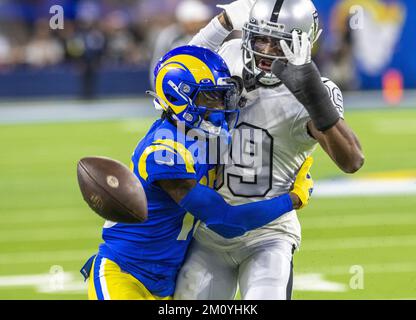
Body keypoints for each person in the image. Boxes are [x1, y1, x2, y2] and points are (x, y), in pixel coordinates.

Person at [81, 45, 314, 300]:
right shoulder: (163, 152)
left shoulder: (202, 135)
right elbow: (227, 221)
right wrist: (292, 199)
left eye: (222, 95)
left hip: (165, 284)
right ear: (178, 98)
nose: (220, 104)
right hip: (124, 276)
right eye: (210, 96)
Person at [174, 0, 365, 300]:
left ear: (302, 42)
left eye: (278, 42)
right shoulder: (231, 55)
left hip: (270, 233)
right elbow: (174, 77)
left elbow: (352, 160)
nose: (265, 50)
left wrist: (312, 94)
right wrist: (220, 23)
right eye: (260, 37)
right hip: (209, 230)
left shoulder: (319, 90)